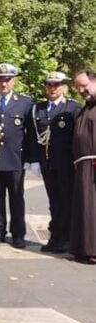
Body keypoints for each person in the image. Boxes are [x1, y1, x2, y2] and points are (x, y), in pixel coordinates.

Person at [25, 72, 81, 254]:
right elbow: (33, 136)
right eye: (49, 85)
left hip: (66, 164)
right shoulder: (38, 109)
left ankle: (65, 238)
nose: (53, 88)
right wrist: (33, 160)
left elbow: (77, 138)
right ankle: (55, 235)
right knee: (54, 201)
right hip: (47, 163)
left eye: (57, 84)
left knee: (66, 201)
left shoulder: (72, 108)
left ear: (64, 86)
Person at [0, 63, 33, 249]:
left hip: (16, 160)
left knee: (17, 198)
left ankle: (18, 234)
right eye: (0, 80)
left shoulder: (25, 103)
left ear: (14, 80)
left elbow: (31, 134)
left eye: (7, 79)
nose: (4, 84)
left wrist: (29, 159)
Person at [70, 70, 96, 264]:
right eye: (78, 87)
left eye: (84, 85)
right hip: (83, 166)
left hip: (93, 165)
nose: (81, 89)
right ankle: (83, 248)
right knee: (84, 208)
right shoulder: (84, 108)